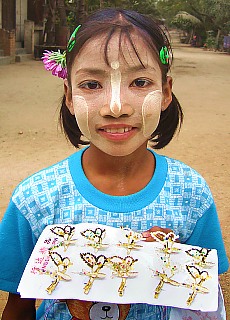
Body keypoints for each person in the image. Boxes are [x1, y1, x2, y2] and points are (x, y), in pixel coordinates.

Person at [0, 8, 228, 320]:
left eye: (140, 81)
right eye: (92, 85)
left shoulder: (190, 194)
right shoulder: (35, 199)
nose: (116, 107)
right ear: (68, 96)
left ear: (166, 92)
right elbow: (18, 306)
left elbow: (202, 300)